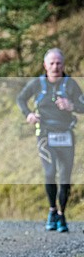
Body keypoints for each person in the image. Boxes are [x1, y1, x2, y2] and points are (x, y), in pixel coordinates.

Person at [16, 48, 84, 232]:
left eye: (58, 63)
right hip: (45, 134)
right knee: (49, 172)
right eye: (52, 63)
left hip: (66, 135)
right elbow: (21, 99)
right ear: (45, 65)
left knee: (65, 177)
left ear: (63, 65)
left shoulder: (70, 84)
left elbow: (83, 104)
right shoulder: (37, 84)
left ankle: (62, 215)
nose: (55, 67)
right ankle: (52, 210)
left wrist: (72, 105)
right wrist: (28, 114)